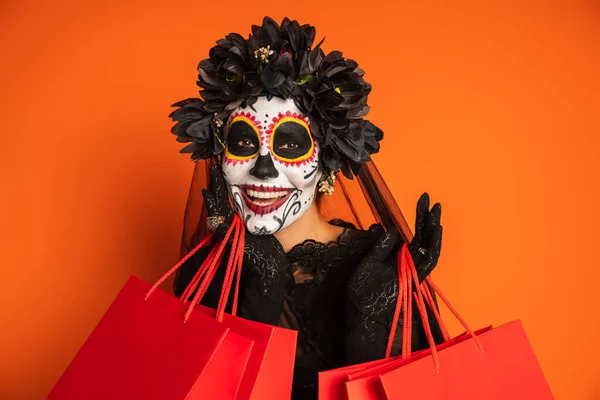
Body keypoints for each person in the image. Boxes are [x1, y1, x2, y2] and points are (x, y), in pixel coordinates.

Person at [169, 16, 444, 400]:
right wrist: (262, 289)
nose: (263, 170)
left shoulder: (381, 270)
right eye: (244, 144)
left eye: (291, 145)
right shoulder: (208, 273)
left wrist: (370, 326)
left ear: (328, 160)